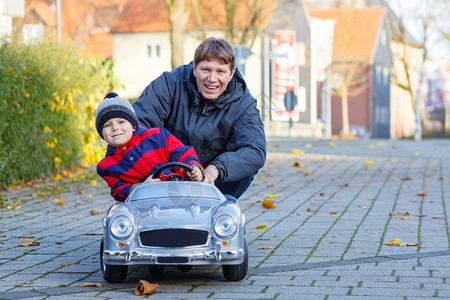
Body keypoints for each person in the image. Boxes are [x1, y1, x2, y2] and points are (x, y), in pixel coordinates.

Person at [133, 37, 266, 199]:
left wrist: (215, 169)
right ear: (194, 68)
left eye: (220, 71)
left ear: (231, 73)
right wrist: (161, 169)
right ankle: (152, 200)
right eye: (205, 70)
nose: (212, 79)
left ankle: (219, 206)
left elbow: (254, 150)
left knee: (247, 165)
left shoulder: (243, 103)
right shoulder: (169, 84)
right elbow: (138, 125)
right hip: (166, 174)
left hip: (214, 181)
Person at [95, 92, 204, 201]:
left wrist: (194, 168)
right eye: (107, 125)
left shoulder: (158, 136)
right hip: (147, 205)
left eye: (121, 122)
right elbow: (119, 191)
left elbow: (183, 154)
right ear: (102, 134)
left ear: (133, 126)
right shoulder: (106, 166)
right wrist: (140, 188)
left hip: (183, 194)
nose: (115, 128)